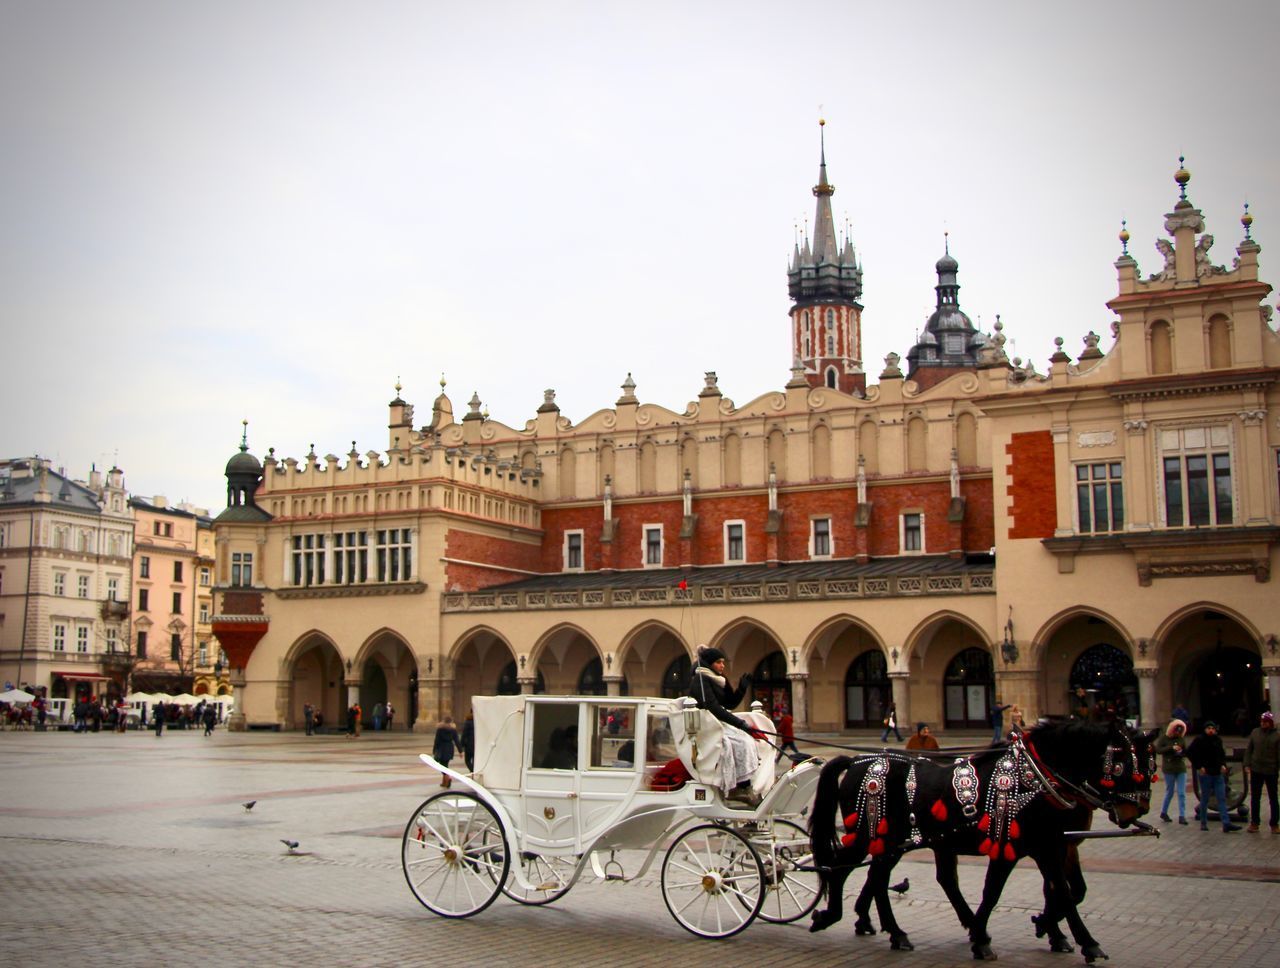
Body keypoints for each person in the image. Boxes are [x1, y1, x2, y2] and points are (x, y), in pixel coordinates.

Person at [686, 645, 764, 796]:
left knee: (748, 740)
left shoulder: (720, 679)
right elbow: (713, 708)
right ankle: (740, 787)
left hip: (719, 722)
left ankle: (745, 784)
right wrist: (740, 724)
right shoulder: (700, 680)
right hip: (708, 725)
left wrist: (741, 689)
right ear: (709, 663)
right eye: (718, 662)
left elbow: (730, 703)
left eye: (723, 662)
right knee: (740, 743)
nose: (722, 665)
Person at [1188, 721, 1241, 832]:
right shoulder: (1199, 740)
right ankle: (1203, 822)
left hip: (1218, 774)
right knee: (1205, 799)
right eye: (1208, 728)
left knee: (1221, 799)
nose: (1211, 730)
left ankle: (1226, 823)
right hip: (1206, 774)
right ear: (1205, 729)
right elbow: (1190, 752)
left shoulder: (1218, 740)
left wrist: (1223, 765)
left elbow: (1221, 754)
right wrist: (1199, 766)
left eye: (1212, 728)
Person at [1244, 711, 1280, 833]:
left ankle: (1274, 824)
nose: (1262, 723)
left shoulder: (1277, 736)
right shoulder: (1255, 732)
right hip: (1256, 769)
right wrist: (1247, 764)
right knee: (1255, 797)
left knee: (1273, 798)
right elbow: (1249, 750)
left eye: (1265, 722)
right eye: (1261, 721)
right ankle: (1254, 823)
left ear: (1270, 723)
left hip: (1271, 770)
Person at [1155, 718, 1190, 824]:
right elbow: (1158, 750)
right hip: (1169, 768)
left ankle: (1182, 815)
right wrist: (1170, 748)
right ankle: (1164, 812)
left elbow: (1185, 751)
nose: (1178, 733)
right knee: (1169, 791)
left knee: (1181, 793)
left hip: (1180, 767)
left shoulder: (1181, 739)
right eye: (1176, 731)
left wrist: (1181, 752)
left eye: (1180, 731)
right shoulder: (1164, 738)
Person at [433, 715, 461, 786]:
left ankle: (447, 778)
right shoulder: (453, 730)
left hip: (441, 748)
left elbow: (437, 740)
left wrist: (434, 749)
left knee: (442, 765)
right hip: (449, 748)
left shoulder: (440, 729)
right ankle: (444, 781)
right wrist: (460, 751)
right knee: (445, 764)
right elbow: (456, 740)